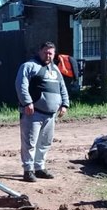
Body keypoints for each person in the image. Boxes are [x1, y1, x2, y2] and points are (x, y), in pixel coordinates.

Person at [15, 41, 70, 182]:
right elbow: (21, 85)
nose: (48, 55)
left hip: (50, 115)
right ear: (40, 51)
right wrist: (27, 102)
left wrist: (65, 104)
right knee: (29, 143)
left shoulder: (55, 69)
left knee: (45, 142)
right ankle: (28, 170)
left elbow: (62, 87)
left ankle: (40, 168)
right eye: (45, 52)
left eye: (51, 53)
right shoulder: (29, 66)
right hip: (33, 113)